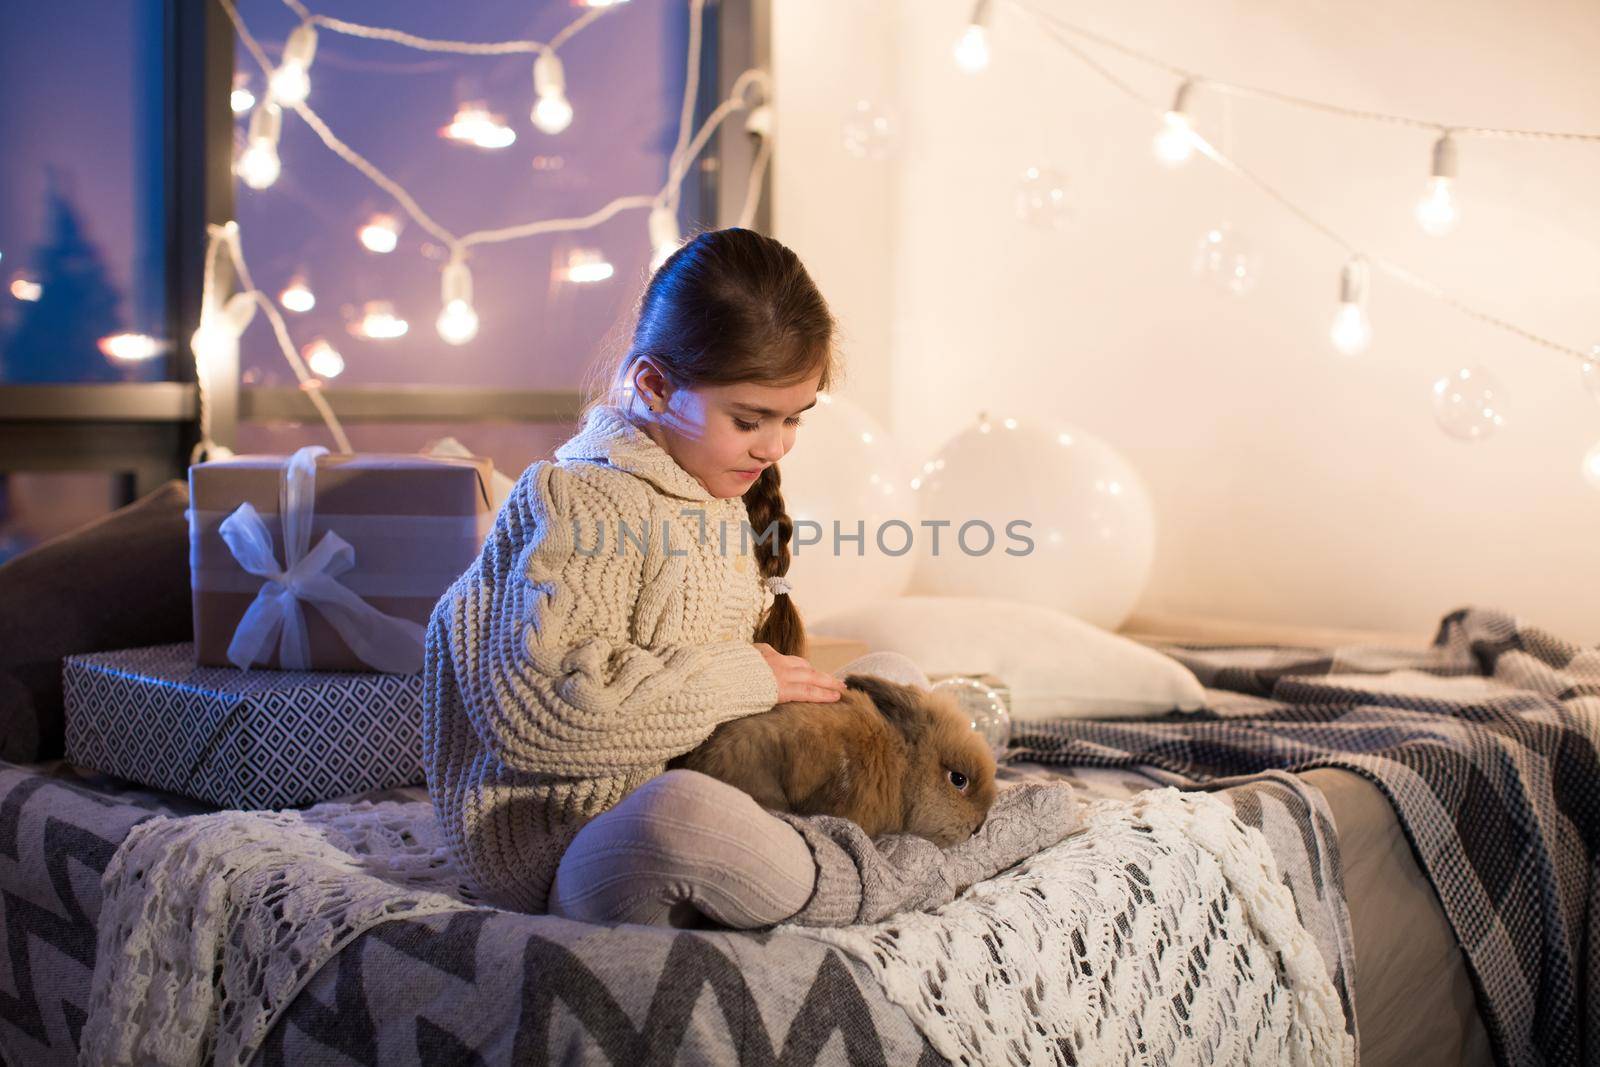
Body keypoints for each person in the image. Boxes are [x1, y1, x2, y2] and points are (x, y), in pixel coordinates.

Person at [423, 227, 1075, 926]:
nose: (776, 445)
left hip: (705, 778)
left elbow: (733, 705)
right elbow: (546, 717)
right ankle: (895, 876)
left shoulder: (721, 496)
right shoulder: (577, 501)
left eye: (795, 418)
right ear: (652, 384)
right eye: (750, 419)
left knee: (890, 680)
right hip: (576, 840)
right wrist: (748, 677)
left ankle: (825, 855)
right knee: (680, 819)